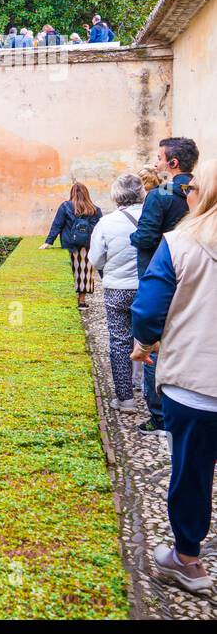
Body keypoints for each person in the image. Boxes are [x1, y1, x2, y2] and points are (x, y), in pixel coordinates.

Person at [130, 160, 217, 593]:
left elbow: (147, 311)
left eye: (192, 187)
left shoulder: (181, 243)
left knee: (192, 472)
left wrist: (146, 345)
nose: (187, 193)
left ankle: (187, 559)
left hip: (197, 384)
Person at [131, 136, 200, 435]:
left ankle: (159, 415)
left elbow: (145, 238)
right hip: (196, 271)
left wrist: (132, 237)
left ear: (172, 163)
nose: (157, 162)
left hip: (163, 271)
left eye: (160, 157)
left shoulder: (160, 195)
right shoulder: (201, 191)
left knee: (154, 345)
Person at [89, 174, 145, 412]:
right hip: (148, 289)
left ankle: (125, 399)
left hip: (117, 290)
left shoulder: (107, 222)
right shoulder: (153, 217)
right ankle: (153, 399)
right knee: (151, 340)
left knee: (120, 341)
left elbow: (95, 258)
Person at [39, 182, 103, 307]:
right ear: (86, 193)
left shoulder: (65, 206)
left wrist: (48, 242)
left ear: (72, 193)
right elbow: (100, 229)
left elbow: (57, 225)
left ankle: (69, 299)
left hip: (70, 245)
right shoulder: (95, 209)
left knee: (71, 271)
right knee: (85, 272)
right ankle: (82, 301)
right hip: (87, 247)